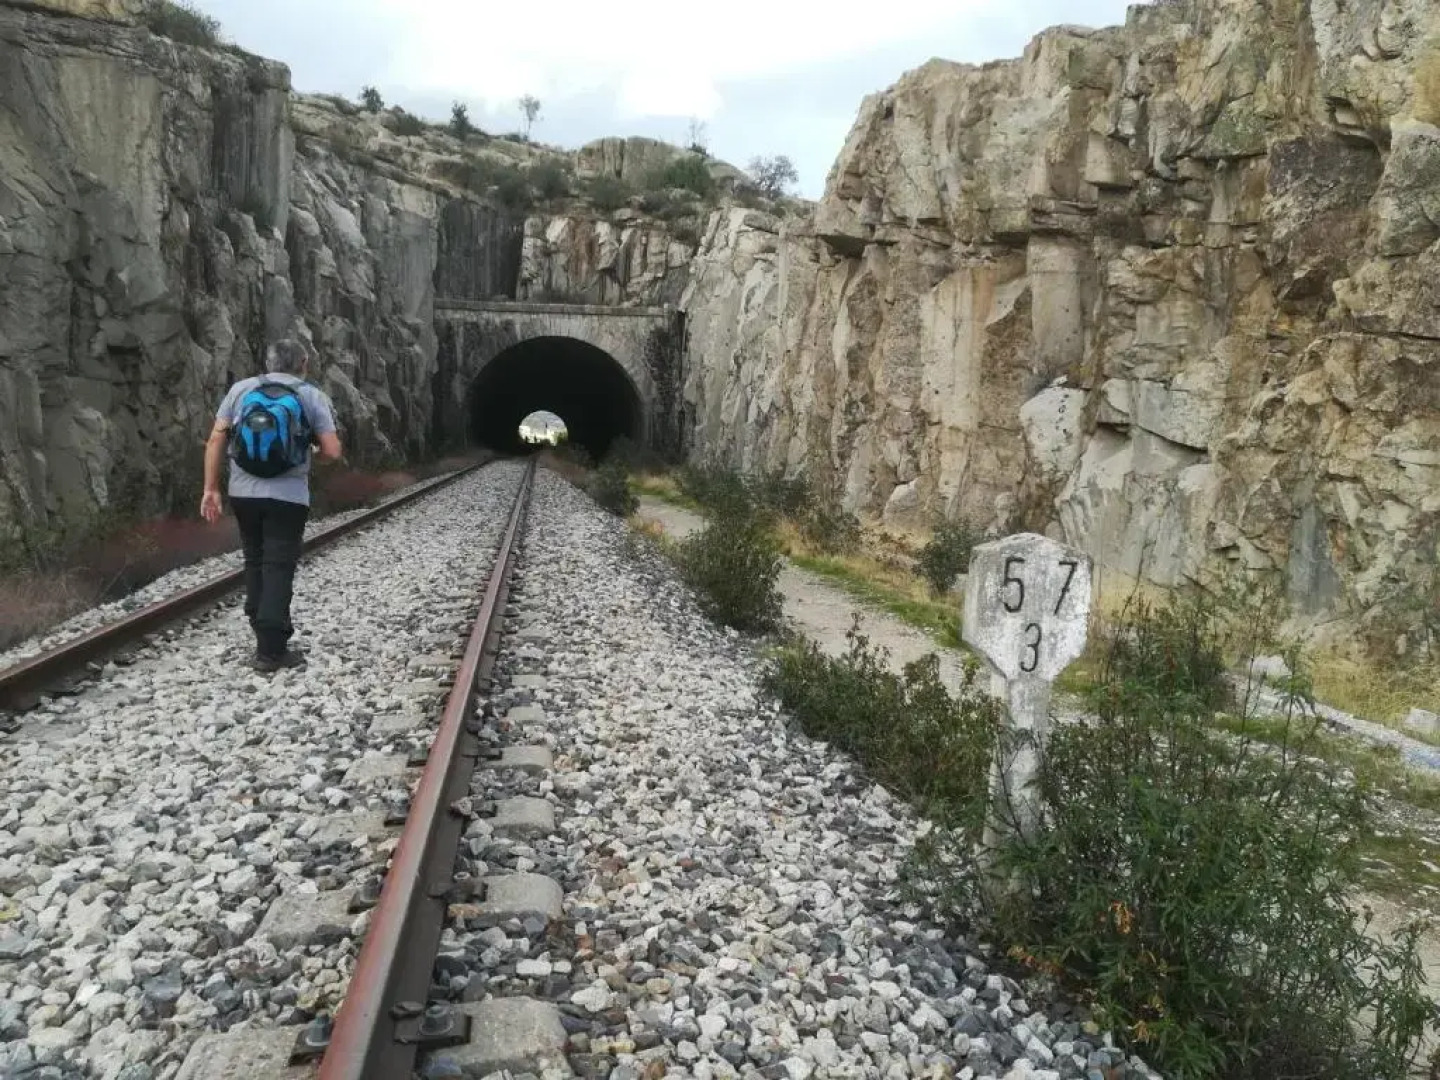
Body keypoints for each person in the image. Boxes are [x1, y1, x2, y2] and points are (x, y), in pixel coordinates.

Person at [200, 340, 343, 672]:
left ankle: (258, 618)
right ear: (303, 363)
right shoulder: (311, 395)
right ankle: (271, 650)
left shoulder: (241, 390)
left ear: (268, 362)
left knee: (254, 557)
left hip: (243, 492)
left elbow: (216, 440)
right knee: (278, 565)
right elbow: (333, 451)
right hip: (288, 496)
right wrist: (313, 454)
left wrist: (210, 489)